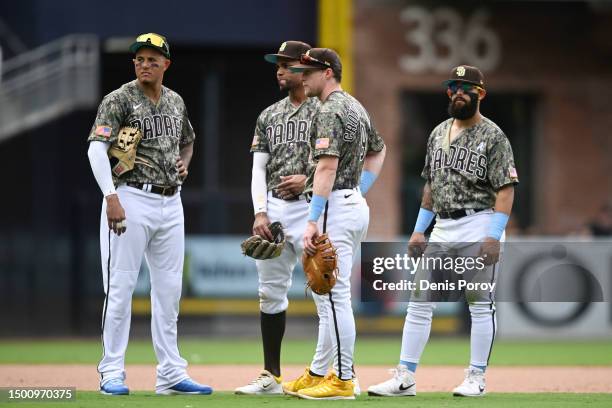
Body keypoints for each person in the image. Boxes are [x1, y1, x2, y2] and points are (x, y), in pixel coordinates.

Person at [367, 65, 518, 398]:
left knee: (479, 303)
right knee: (419, 302)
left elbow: (506, 189)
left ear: (481, 94)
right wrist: (419, 231)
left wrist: (494, 235)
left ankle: (476, 377)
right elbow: (431, 186)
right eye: (454, 86)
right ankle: (405, 376)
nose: (459, 91)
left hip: (480, 222)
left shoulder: (493, 136)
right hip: (443, 227)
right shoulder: (437, 133)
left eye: (467, 87)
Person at [87, 33, 212, 396]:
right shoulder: (120, 99)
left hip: (171, 202)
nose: (145, 64)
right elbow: (97, 150)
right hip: (129, 197)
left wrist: (184, 164)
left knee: (169, 290)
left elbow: (188, 140)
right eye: (140, 59)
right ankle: (111, 371)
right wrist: (110, 195)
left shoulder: (175, 101)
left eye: (152, 59)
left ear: (166, 65)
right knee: (120, 287)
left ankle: (171, 373)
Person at [283, 48, 386, 400]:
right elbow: (378, 150)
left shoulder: (329, 109)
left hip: (335, 207)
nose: (302, 76)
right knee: (325, 293)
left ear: (327, 72)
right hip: (351, 202)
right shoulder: (355, 106)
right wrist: (361, 188)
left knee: (334, 295)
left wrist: (312, 220)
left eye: (308, 71)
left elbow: (326, 168)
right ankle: (318, 372)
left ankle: (343, 378)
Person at [234, 40, 322, 395]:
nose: (279, 70)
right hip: (275, 209)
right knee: (270, 293)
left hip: (314, 207)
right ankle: (271, 375)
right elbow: (258, 168)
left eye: (286, 64)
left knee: (325, 290)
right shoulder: (269, 114)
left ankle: (337, 373)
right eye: (277, 65)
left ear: (305, 68)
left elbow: (343, 162)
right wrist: (259, 210)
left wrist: (309, 177)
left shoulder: (326, 109)